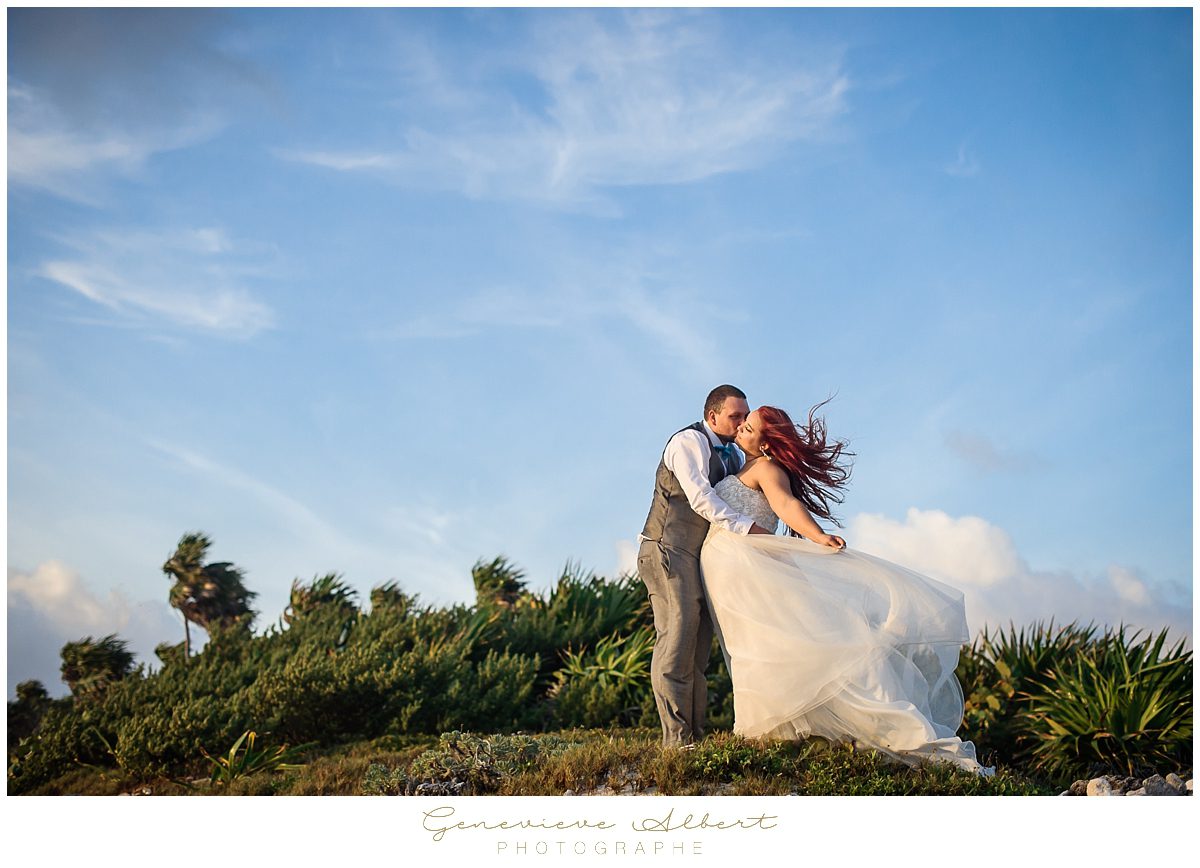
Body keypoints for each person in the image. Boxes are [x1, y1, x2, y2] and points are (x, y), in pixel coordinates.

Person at [699, 403, 994, 775]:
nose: (741, 427)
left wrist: (817, 535)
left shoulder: (767, 469)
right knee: (751, 643)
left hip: (745, 564)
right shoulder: (743, 466)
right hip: (727, 565)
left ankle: (763, 728)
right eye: (742, 423)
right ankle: (770, 727)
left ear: (767, 444)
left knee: (761, 643)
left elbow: (786, 504)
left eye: (749, 426)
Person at [637, 385, 773, 749]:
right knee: (677, 638)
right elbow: (701, 498)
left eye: (745, 417)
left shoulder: (733, 455)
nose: (742, 423)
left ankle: (694, 737)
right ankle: (676, 741)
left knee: (698, 651)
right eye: (734, 416)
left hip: (700, 558)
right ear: (712, 416)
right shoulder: (688, 442)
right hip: (668, 548)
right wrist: (749, 528)